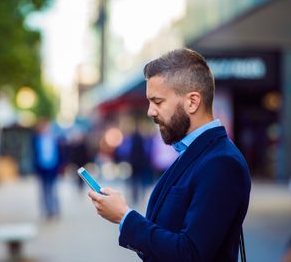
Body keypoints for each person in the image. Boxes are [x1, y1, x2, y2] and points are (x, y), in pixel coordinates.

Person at [88, 48, 251, 262]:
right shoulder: (194, 152)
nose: (150, 111)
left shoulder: (221, 163)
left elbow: (190, 253)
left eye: (158, 101)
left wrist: (125, 217)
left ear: (192, 102)